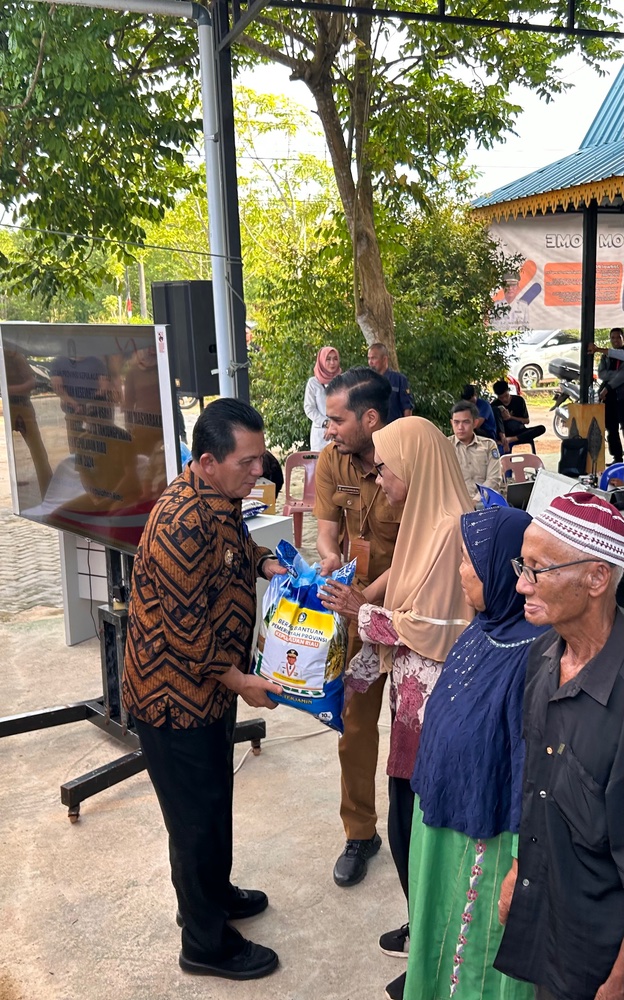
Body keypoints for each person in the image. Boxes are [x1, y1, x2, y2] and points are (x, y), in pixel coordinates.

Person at [122, 398, 287, 982]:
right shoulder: (180, 521)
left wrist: (265, 564)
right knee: (193, 820)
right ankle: (204, 943)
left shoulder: (219, 498)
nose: (259, 472)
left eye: (261, 459)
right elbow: (188, 633)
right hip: (172, 700)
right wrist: (243, 683)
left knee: (215, 800)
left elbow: (235, 550)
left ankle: (214, 895)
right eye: (248, 462)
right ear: (209, 461)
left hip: (207, 695)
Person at [320, 416, 473, 1000]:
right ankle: (423, 928)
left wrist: (360, 611)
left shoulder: (453, 529)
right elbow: (404, 601)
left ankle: (433, 952)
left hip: (438, 713)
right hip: (412, 706)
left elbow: (439, 629)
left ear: (415, 464)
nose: (379, 480)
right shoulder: (423, 522)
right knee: (408, 829)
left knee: (426, 834)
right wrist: (363, 629)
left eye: (385, 468)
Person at [404, 506, 547, 1000]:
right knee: (433, 931)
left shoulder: (536, 654)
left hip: (486, 832)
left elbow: (530, 767)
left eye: (470, 561)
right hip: (443, 815)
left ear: (502, 570)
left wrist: (521, 862)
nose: (461, 571)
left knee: (473, 958)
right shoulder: (485, 626)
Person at [495, 492, 624, 1000]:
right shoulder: (544, 656)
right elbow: (539, 784)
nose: (521, 584)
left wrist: (620, 975)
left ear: (596, 578)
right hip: (550, 921)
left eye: (538, 569)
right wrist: (519, 867)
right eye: (520, 566)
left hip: (603, 948)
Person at [313, 367, 402, 887]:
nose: (328, 430)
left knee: (418, 727)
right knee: (355, 726)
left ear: (370, 418)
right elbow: (328, 531)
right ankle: (360, 833)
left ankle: (424, 829)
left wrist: (365, 601)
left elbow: (419, 548)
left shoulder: (407, 457)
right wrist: (330, 559)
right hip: (355, 611)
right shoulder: (332, 459)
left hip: (409, 611)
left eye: (336, 420)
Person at [449, 401, 505, 505]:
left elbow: (494, 479)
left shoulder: (488, 445)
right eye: (456, 422)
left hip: (486, 503)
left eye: (466, 422)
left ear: (475, 423)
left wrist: (476, 501)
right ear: (451, 423)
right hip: (456, 505)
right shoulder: (445, 446)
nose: (460, 427)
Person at [594, 328, 624, 464]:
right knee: (611, 428)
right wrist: (615, 376)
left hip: (622, 396)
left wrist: (610, 383)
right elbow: (602, 374)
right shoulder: (606, 356)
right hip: (609, 397)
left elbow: (622, 376)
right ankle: (617, 458)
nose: (615, 340)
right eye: (613, 338)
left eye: (618, 337)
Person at [491, 380, 546, 451]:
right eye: (501, 398)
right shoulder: (494, 405)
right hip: (504, 432)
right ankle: (504, 440)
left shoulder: (519, 400)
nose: (504, 399)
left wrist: (510, 417)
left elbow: (526, 421)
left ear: (508, 391)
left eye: (506, 396)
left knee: (541, 428)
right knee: (496, 411)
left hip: (519, 431)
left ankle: (511, 439)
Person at [304, 346, 341, 450]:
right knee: (320, 460)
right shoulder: (313, 383)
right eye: (328, 359)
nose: (332, 363)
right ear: (321, 361)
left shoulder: (342, 381)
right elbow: (309, 408)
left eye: (335, 359)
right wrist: (326, 423)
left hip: (339, 432)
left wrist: (334, 425)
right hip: (320, 435)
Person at [367, 343, 414, 423]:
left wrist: (406, 427)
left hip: (394, 427)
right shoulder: (366, 381)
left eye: (374, 358)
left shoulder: (399, 379)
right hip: (373, 428)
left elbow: (407, 408)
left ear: (384, 359)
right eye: (369, 358)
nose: (370, 362)